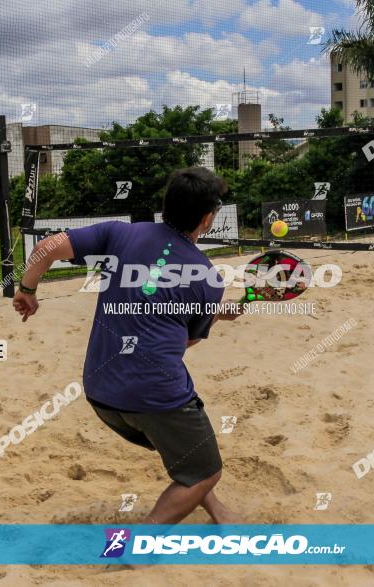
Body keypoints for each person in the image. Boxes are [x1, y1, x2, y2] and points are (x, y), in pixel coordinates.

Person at [13, 167, 242, 524]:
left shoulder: (119, 233)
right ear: (208, 218)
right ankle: (140, 549)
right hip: (152, 398)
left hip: (101, 393)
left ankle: (217, 511)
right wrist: (214, 312)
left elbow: (46, 248)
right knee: (205, 470)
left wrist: (27, 291)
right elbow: (184, 343)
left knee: (184, 446)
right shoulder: (208, 277)